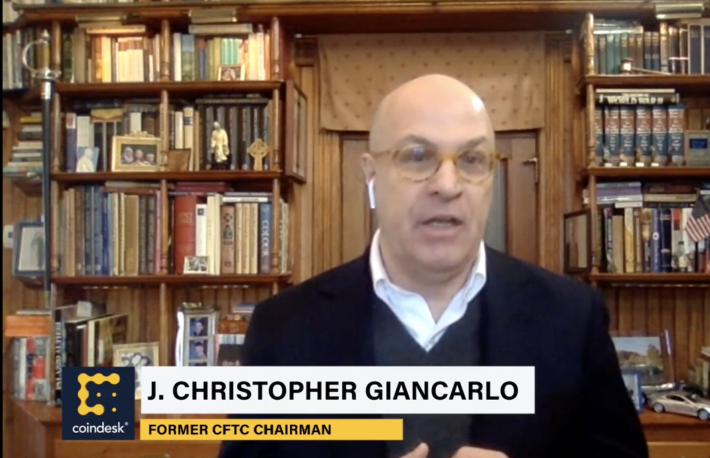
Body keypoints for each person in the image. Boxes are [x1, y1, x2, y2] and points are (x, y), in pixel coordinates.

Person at [218, 74, 649, 458]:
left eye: (472, 160)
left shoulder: (571, 317)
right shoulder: (284, 327)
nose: (447, 185)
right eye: (418, 156)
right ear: (370, 174)